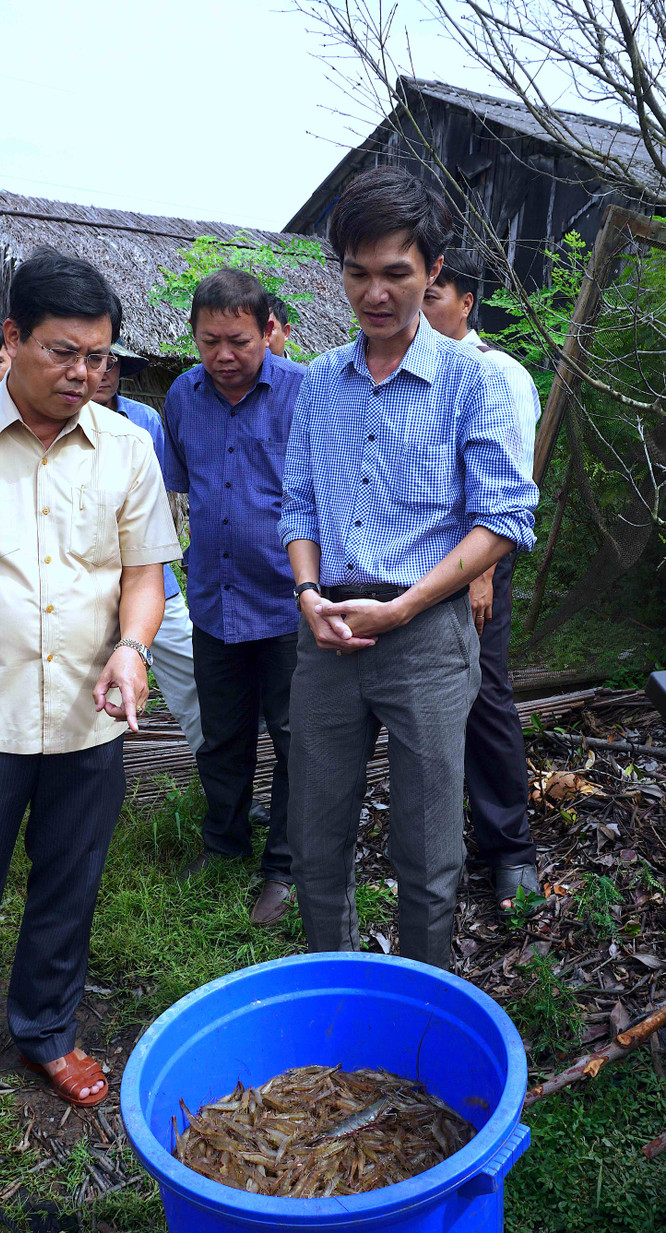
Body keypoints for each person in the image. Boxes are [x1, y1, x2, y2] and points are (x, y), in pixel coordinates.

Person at [0, 247, 180, 1152]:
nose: (83, 374)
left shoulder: (129, 444)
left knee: (69, 882)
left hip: (89, 713)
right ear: (10, 338)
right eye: (63, 353)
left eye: (99, 358)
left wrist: (131, 651)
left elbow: (145, 575)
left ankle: (47, 1031)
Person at [279, 167, 539, 970]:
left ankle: (420, 1008)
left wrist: (406, 607)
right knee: (316, 840)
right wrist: (307, 591)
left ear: (432, 271)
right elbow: (298, 506)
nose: (375, 291)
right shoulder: (320, 381)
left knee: (427, 851)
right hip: (327, 634)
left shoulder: (475, 381)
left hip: (425, 632)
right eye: (358, 272)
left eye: (396, 272)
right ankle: (338, 990)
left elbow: (504, 517)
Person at [164, 269, 306, 925]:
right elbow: (181, 488)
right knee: (221, 736)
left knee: (293, 735)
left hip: (287, 602)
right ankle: (224, 844)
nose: (223, 355)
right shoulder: (181, 396)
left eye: (239, 341)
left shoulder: (304, 394)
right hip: (215, 599)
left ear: (270, 330)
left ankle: (284, 866)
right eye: (209, 340)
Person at [422, 251, 541, 915]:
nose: (424, 306)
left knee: (483, 692)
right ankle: (438, 844)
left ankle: (511, 850)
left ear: (467, 302)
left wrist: (484, 573)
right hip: (419, 560)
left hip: (480, 556)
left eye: (436, 295)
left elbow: (507, 491)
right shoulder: (414, 369)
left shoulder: (499, 374)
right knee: (426, 696)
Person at [94, 341, 203, 753]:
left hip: (154, 581)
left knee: (195, 683)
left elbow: (158, 501)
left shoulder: (144, 421)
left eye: (112, 362)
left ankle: (227, 792)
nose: (103, 371)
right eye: (94, 360)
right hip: (89, 584)